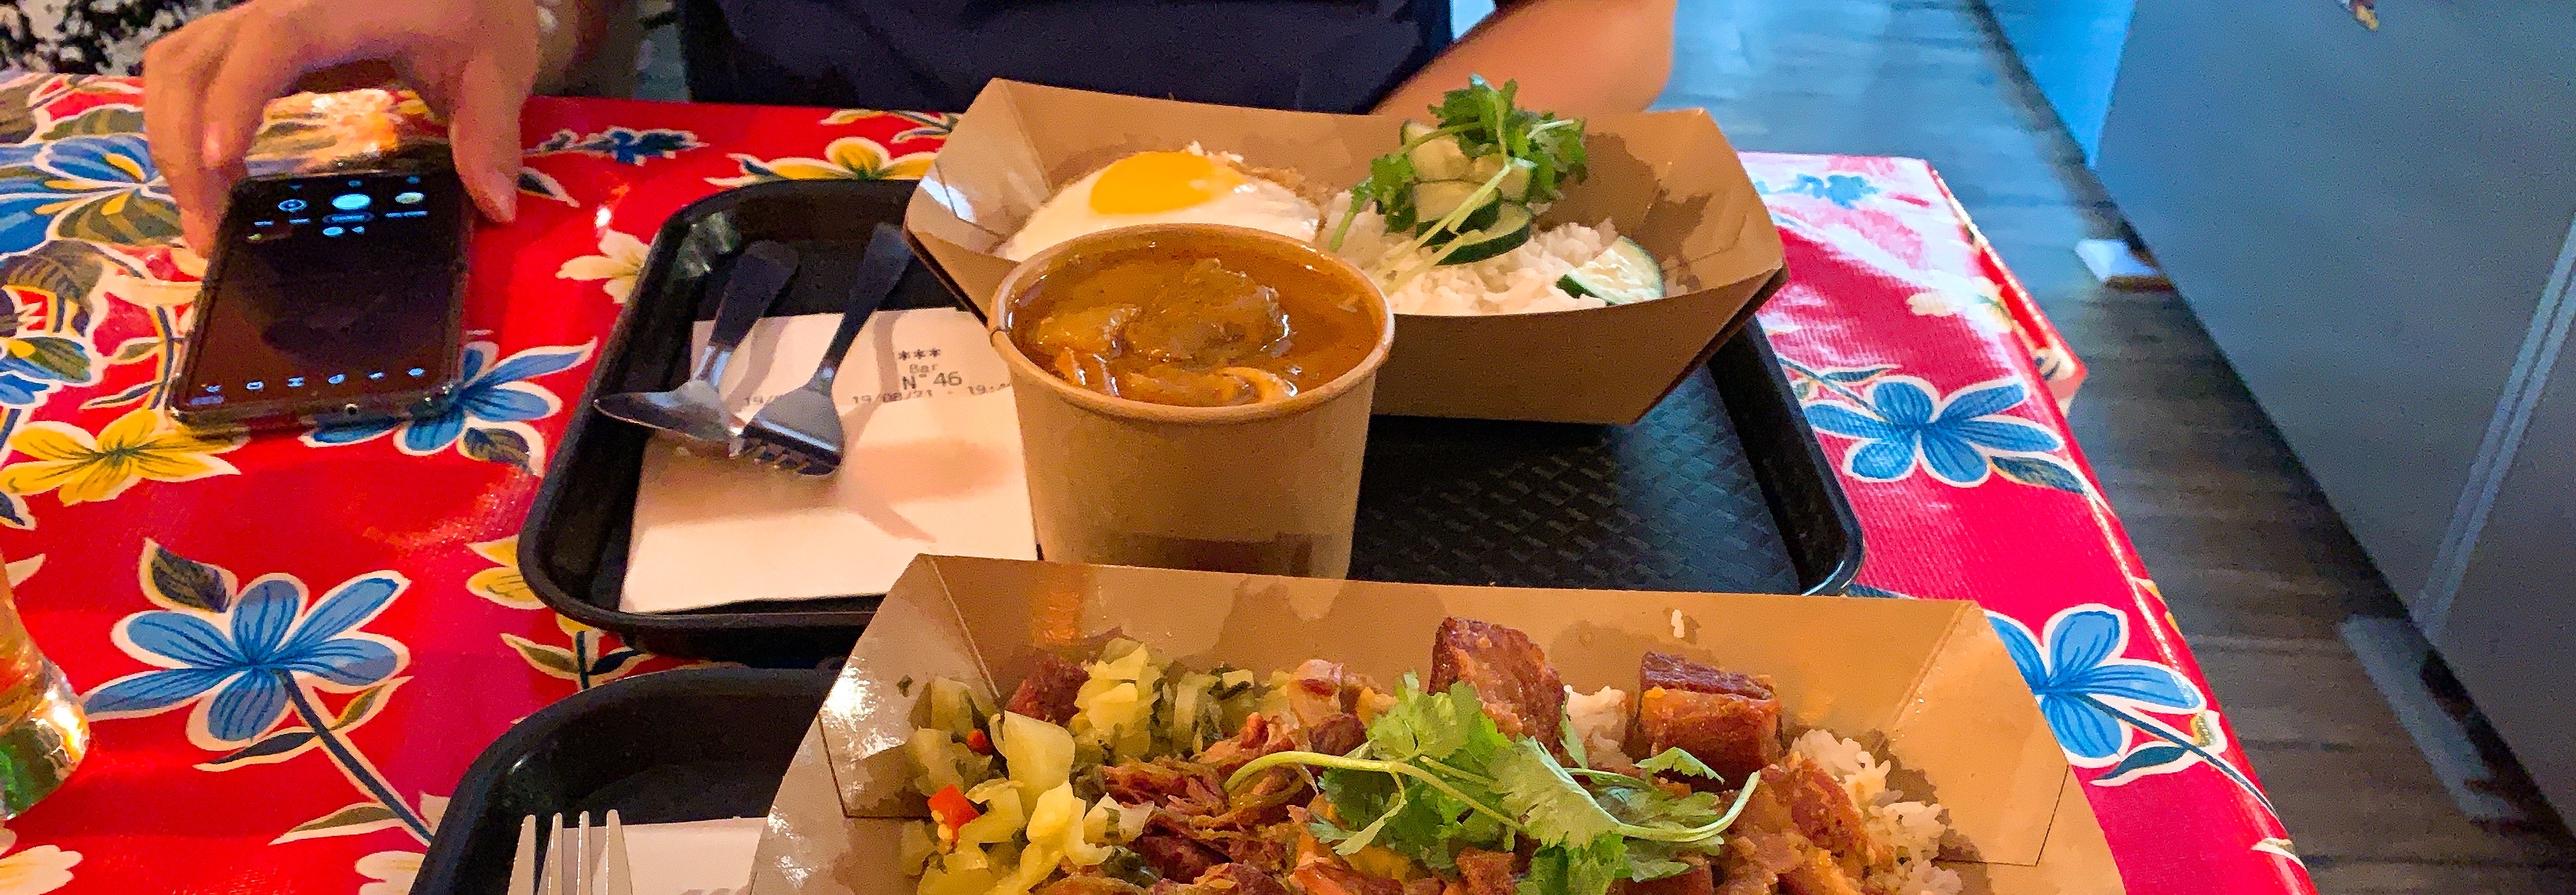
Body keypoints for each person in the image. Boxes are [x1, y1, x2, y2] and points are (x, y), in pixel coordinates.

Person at [143, 0, 1677, 254]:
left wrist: (1339, 224)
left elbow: (1614, 20)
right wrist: (520, 17)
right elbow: (585, 15)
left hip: (1330, 199)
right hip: (816, 231)